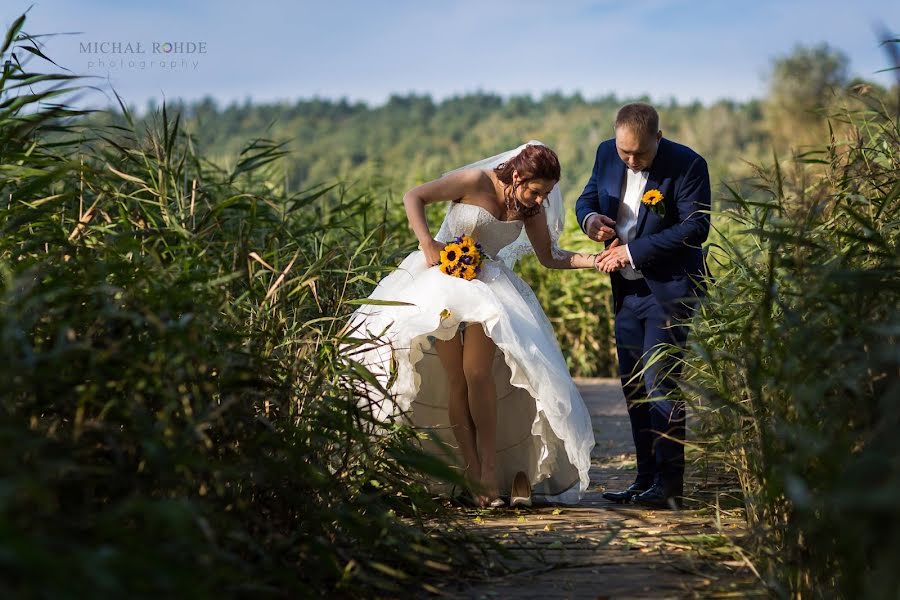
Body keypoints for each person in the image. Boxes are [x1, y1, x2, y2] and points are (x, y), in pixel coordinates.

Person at [344, 142, 597, 508]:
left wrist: (596, 260)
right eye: (536, 190)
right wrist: (426, 241)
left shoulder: (528, 209)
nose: (541, 200)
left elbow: (550, 257)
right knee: (456, 379)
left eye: (547, 194)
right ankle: (471, 469)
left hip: (486, 287)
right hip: (441, 280)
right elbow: (414, 196)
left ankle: (489, 470)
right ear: (517, 175)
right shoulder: (473, 180)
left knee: (477, 373)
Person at [575, 103, 711, 509]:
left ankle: (670, 487)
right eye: (624, 153)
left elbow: (695, 228)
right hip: (626, 294)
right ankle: (645, 479)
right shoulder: (605, 153)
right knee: (634, 387)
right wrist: (591, 220)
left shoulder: (688, 164)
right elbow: (586, 198)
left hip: (668, 291)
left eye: (640, 154)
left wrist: (631, 252)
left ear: (658, 137)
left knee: (661, 384)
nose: (631, 161)